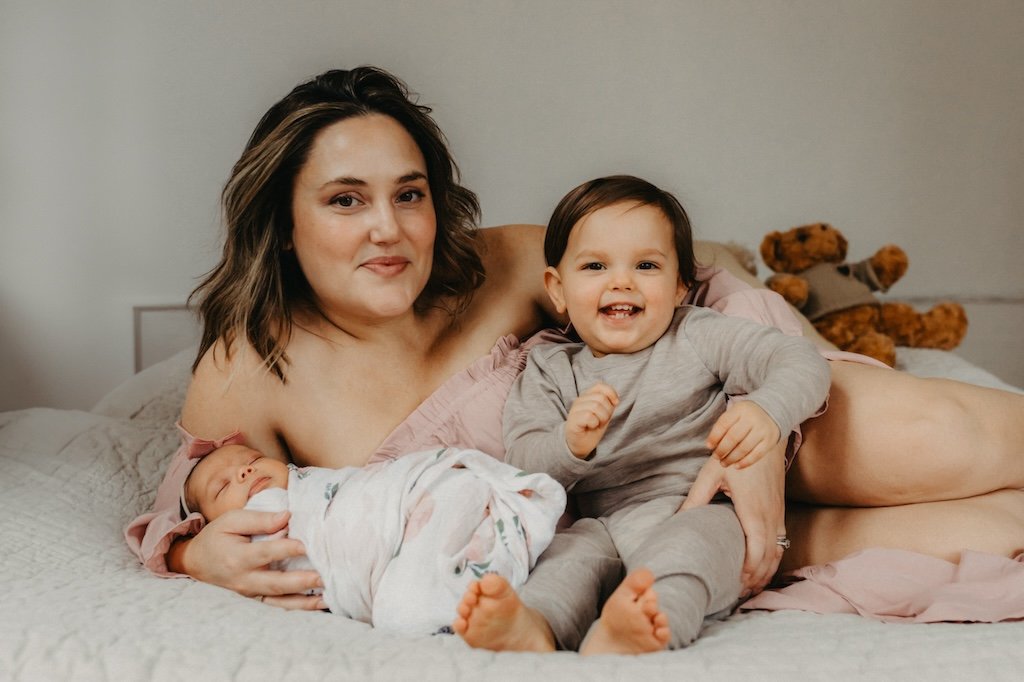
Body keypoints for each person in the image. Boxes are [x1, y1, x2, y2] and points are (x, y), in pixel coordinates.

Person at [124, 65, 1024, 615]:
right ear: (283, 224)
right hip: (638, 530)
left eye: (410, 193)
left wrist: (763, 422)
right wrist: (192, 554)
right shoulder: (253, 365)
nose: (389, 229)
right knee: (993, 532)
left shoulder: (504, 265)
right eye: (346, 199)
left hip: (725, 421)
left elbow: (705, 287)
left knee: (964, 439)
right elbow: (190, 492)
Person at [452, 175, 831, 654]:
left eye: (646, 265)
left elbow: (800, 360)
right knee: (567, 556)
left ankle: (644, 623)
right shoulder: (549, 369)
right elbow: (524, 462)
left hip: (694, 507)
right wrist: (569, 443)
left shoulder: (697, 334)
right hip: (604, 524)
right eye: (595, 266)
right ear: (558, 289)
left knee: (690, 549)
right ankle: (535, 626)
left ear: (679, 286)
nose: (621, 281)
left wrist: (768, 409)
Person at [180, 441, 565, 634]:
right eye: (223, 486)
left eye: (250, 461)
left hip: (411, 490)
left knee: (406, 613)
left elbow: (357, 493)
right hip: (424, 522)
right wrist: (188, 554)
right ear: (209, 525)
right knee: (422, 579)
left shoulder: (298, 488)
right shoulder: (245, 539)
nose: (245, 474)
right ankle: (483, 572)